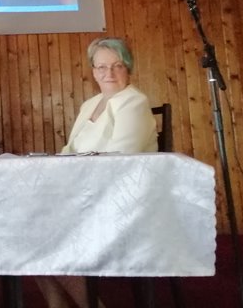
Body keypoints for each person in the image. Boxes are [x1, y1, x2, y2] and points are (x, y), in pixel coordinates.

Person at [38, 37, 158, 308]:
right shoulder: (89, 105)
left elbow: (119, 161)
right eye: (101, 67)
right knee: (27, 224)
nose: (109, 73)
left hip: (118, 199)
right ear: (93, 71)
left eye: (117, 65)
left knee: (44, 231)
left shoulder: (134, 102)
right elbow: (69, 151)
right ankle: (57, 304)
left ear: (128, 68)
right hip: (82, 193)